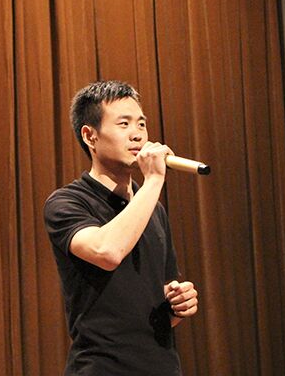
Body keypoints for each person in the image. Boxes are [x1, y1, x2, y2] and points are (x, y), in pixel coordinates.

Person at [43, 80, 199, 375]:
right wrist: (154, 180)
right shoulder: (67, 202)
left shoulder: (152, 207)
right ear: (90, 136)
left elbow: (159, 304)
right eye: (124, 124)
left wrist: (178, 304)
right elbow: (107, 252)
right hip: (102, 367)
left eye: (141, 124)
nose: (137, 134)